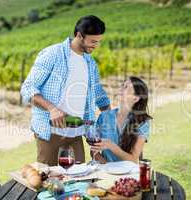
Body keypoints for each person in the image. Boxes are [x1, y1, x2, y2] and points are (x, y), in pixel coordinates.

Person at [20, 15, 111, 166]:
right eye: (93, 41)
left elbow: (98, 93)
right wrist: (52, 109)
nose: (96, 45)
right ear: (79, 35)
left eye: (98, 42)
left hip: (77, 132)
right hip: (51, 132)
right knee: (50, 182)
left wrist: (110, 117)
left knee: (80, 181)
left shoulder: (90, 63)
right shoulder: (52, 54)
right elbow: (27, 88)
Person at [91, 76, 152, 164]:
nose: (120, 89)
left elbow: (133, 160)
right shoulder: (104, 117)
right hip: (105, 171)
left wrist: (112, 146)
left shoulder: (142, 122)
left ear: (135, 98)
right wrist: (106, 166)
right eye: (122, 85)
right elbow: (94, 151)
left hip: (128, 174)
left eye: (126, 87)